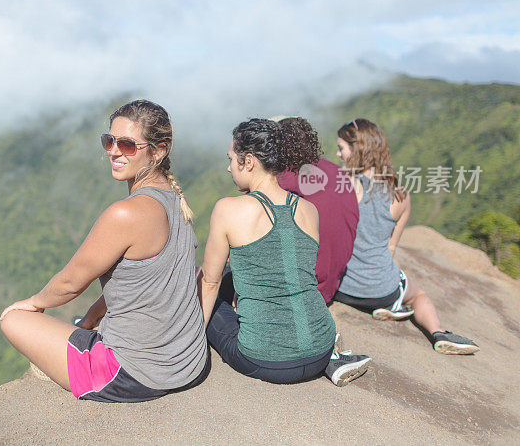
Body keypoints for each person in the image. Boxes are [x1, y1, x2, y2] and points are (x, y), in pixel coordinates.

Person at [0, 99, 209, 402]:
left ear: (159, 149)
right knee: (78, 326)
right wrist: (88, 320)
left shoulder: (126, 214)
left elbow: (70, 283)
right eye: (109, 140)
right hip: (188, 364)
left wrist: (32, 304)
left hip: (133, 375)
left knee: (13, 320)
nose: (113, 150)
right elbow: (135, 286)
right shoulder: (177, 200)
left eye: (127, 144)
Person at [198, 118, 367, 386]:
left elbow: (209, 282)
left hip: (263, 360)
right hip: (321, 350)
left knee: (204, 285)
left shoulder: (228, 209)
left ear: (249, 161)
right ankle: (333, 360)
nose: (228, 168)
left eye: (231, 159)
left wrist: (193, 344)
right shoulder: (309, 210)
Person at [334, 118, 479, 355]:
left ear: (357, 149)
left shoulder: (341, 184)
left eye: (342, 148)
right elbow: (391, 248)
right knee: (418, 295)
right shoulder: (400, 195)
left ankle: (393, 307)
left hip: (341, 287)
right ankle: (438, 333)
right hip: (381, 291)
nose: (338, 154)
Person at [273, 116, 371, 385]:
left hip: (311, 287)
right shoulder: (339, 173)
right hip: (333, 279)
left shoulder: (283, 179)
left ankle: (322, 346)